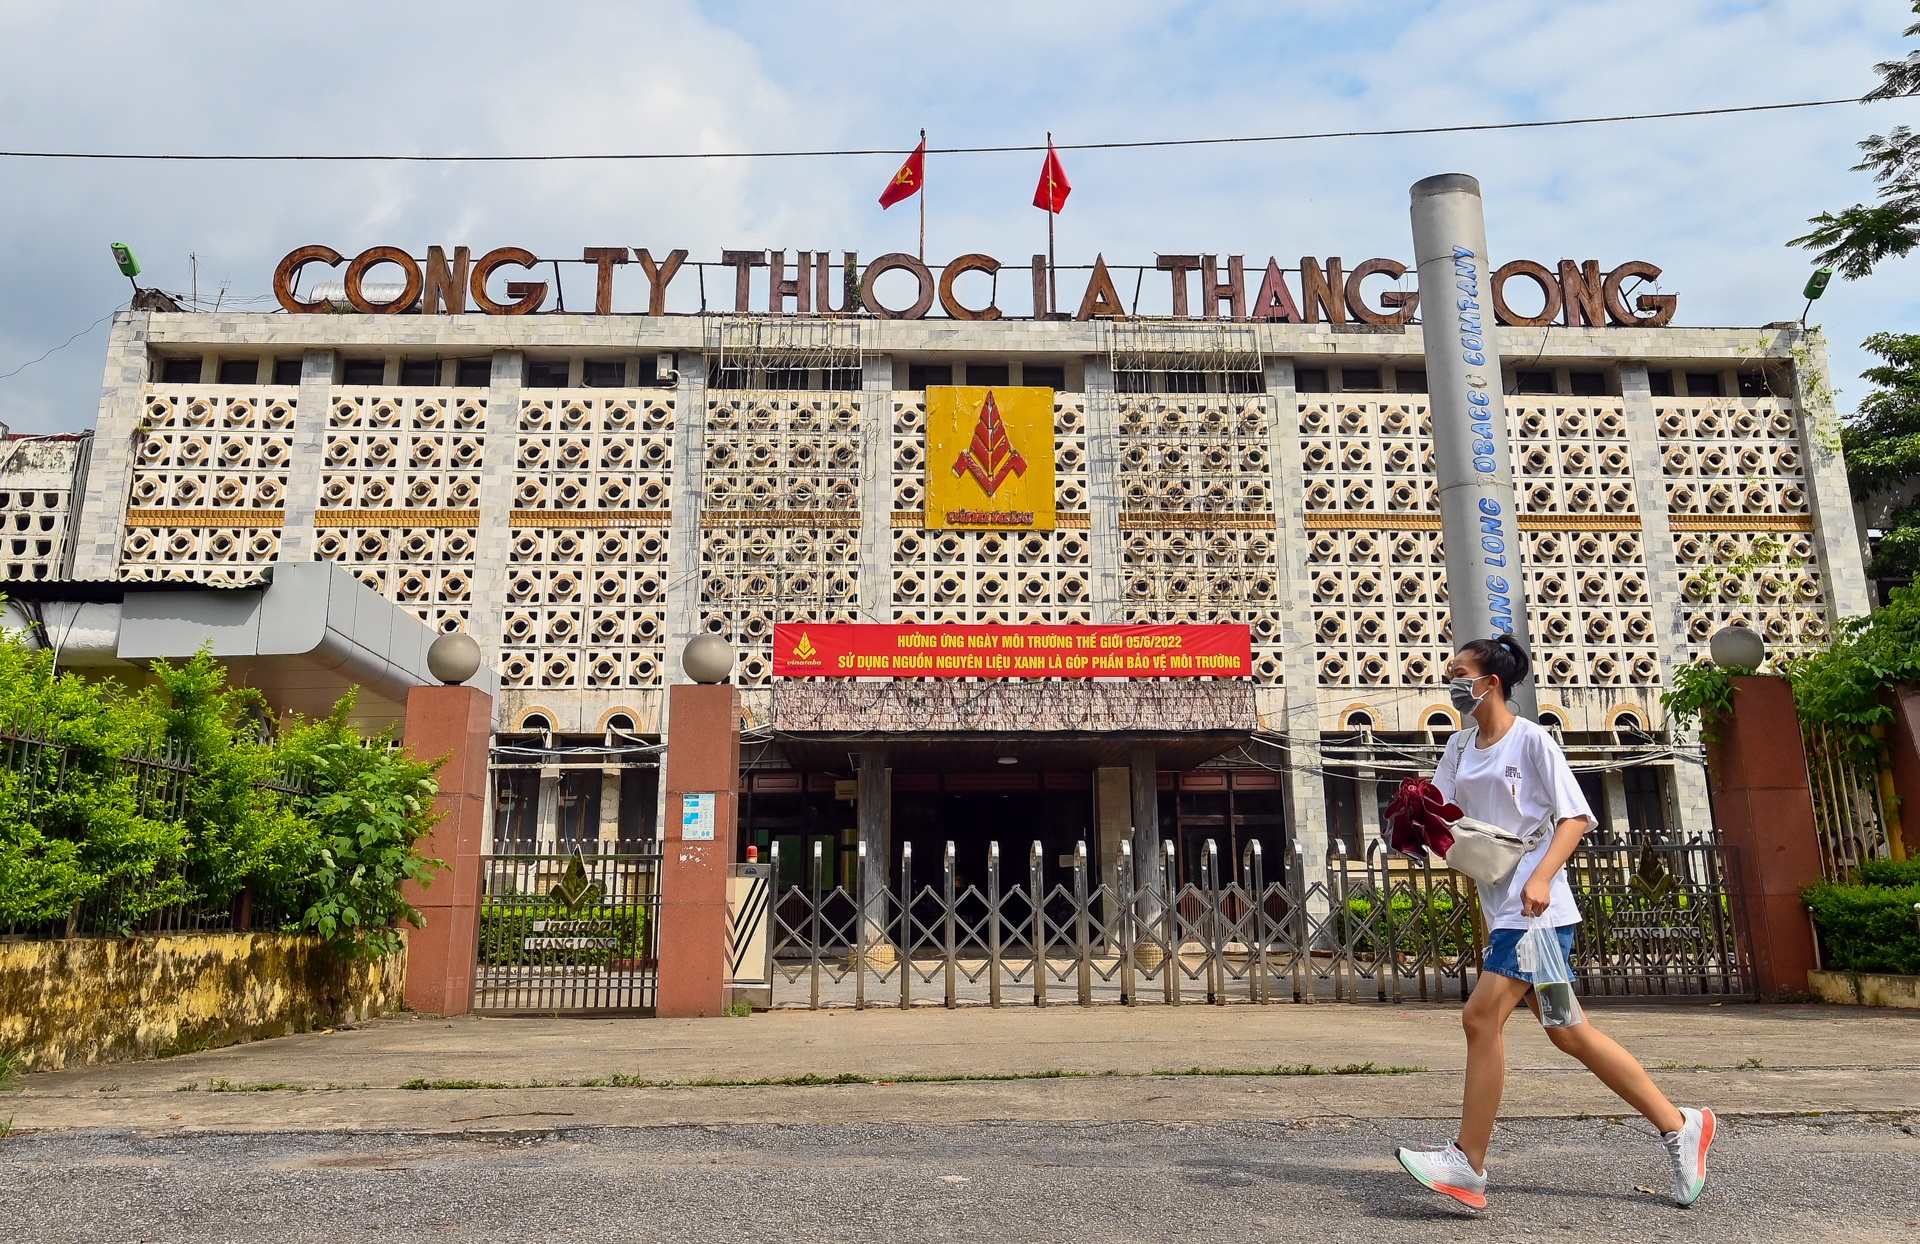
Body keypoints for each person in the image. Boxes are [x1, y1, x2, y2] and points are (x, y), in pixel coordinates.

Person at [1395, 633, 1714, 1210]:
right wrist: (1413, 821)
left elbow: (1575, 818)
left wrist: (1541, 877)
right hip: (1506, 908)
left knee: (1479, 1017)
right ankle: (1679, 1124)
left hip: (1537, 911)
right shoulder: (1461, 747)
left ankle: (1468, 1164)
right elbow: (1439, 813)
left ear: (1490, 682)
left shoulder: (1532, 740)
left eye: (1459, 672)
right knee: (1568, 1031)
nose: (1451, 680)